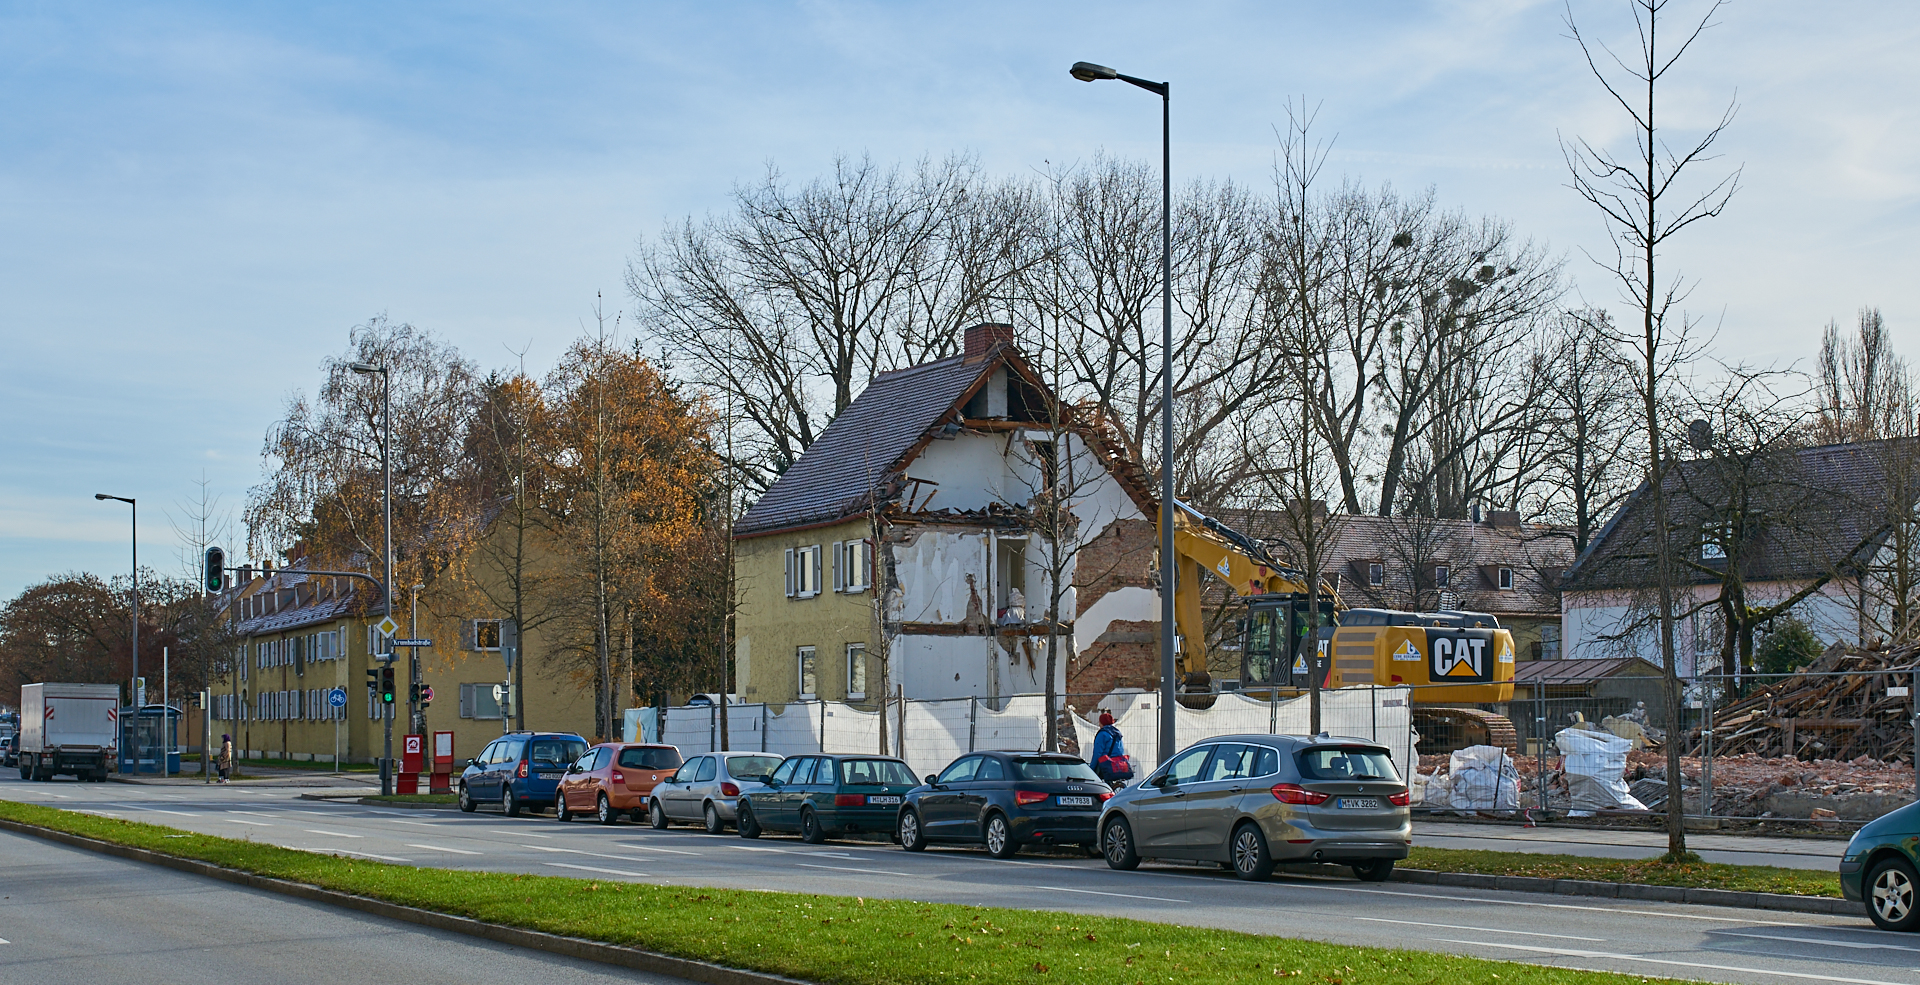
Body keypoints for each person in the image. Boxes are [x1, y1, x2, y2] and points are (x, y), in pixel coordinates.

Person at [1089, 711, 1132, 784]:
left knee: (1097, 782)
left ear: (1102, 722)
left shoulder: (1102, 734)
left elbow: (1097, 753)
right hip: (1118, 764)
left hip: (1106, 764)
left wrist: (1091, 768)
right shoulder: (1117, 733)